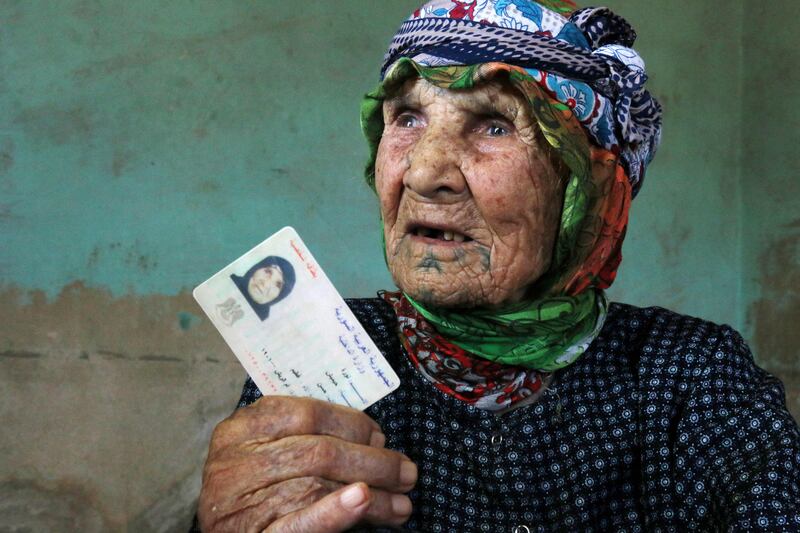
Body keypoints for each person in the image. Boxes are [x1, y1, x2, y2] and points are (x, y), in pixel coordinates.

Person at [194, 1, 800, 531]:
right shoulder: (319, 363)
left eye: (493, 124)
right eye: (406, 118)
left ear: (581, 189)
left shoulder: (687, 379)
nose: (425, 173)